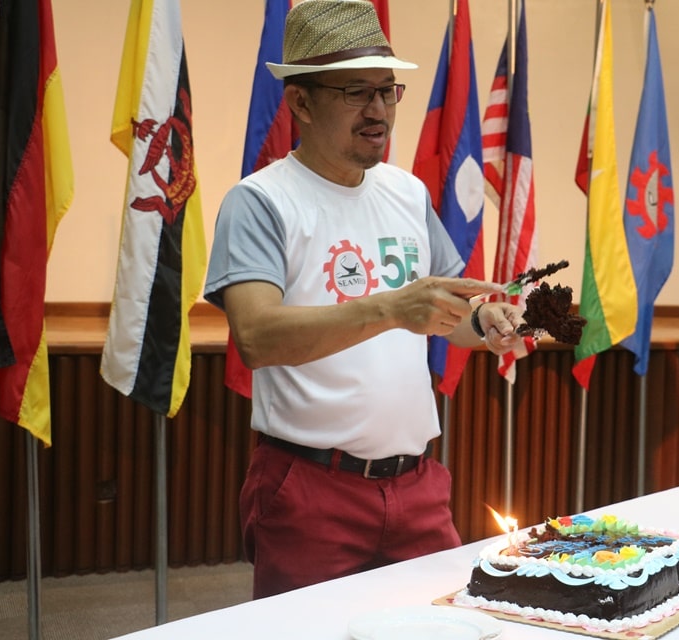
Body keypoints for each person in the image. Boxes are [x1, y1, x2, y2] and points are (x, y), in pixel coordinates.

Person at [204, 0, 525, 599]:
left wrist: (487, 324)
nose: (378, 111)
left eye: (387, 90)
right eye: (356, 92)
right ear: (300, 101)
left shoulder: (406, 192)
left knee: (446, 625)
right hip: (310, 489)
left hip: (418, 484)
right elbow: (256, 337)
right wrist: (389, 308)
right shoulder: (259, 203)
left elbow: (446, 315)